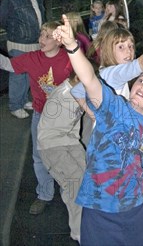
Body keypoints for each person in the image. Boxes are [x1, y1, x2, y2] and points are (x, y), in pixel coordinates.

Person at [54, 14, 143, 246]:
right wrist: (72, 47)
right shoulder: (115, 107)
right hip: (100, 208)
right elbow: (89, 80)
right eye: (142, 81)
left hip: (134, 210)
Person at [0, 21, 73, 215]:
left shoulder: (70, 58)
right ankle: (45, 193)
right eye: (41, 34)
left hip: (65, 117)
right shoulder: (32, 58)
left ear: (59, 40)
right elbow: (9, 64)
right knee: (39, 156)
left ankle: (71, 194)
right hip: (41, 115)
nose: (41, 39)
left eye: (48, 36)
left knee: (65, 155)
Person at [37, 70, 90, 243]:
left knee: (85, 179)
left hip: (70, 140)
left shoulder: (77, 88)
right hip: (52, 145)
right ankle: (78, 232)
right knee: (76, 184)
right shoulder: (66, 94)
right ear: (77, 78)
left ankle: (84, 220)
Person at [0, 0, 45, 118]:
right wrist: (17, 32)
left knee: (28, 75)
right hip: (19, 44)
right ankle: (15, 105)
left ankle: (23, 100)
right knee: (18, 75)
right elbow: (3, 20)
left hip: (35, 43)